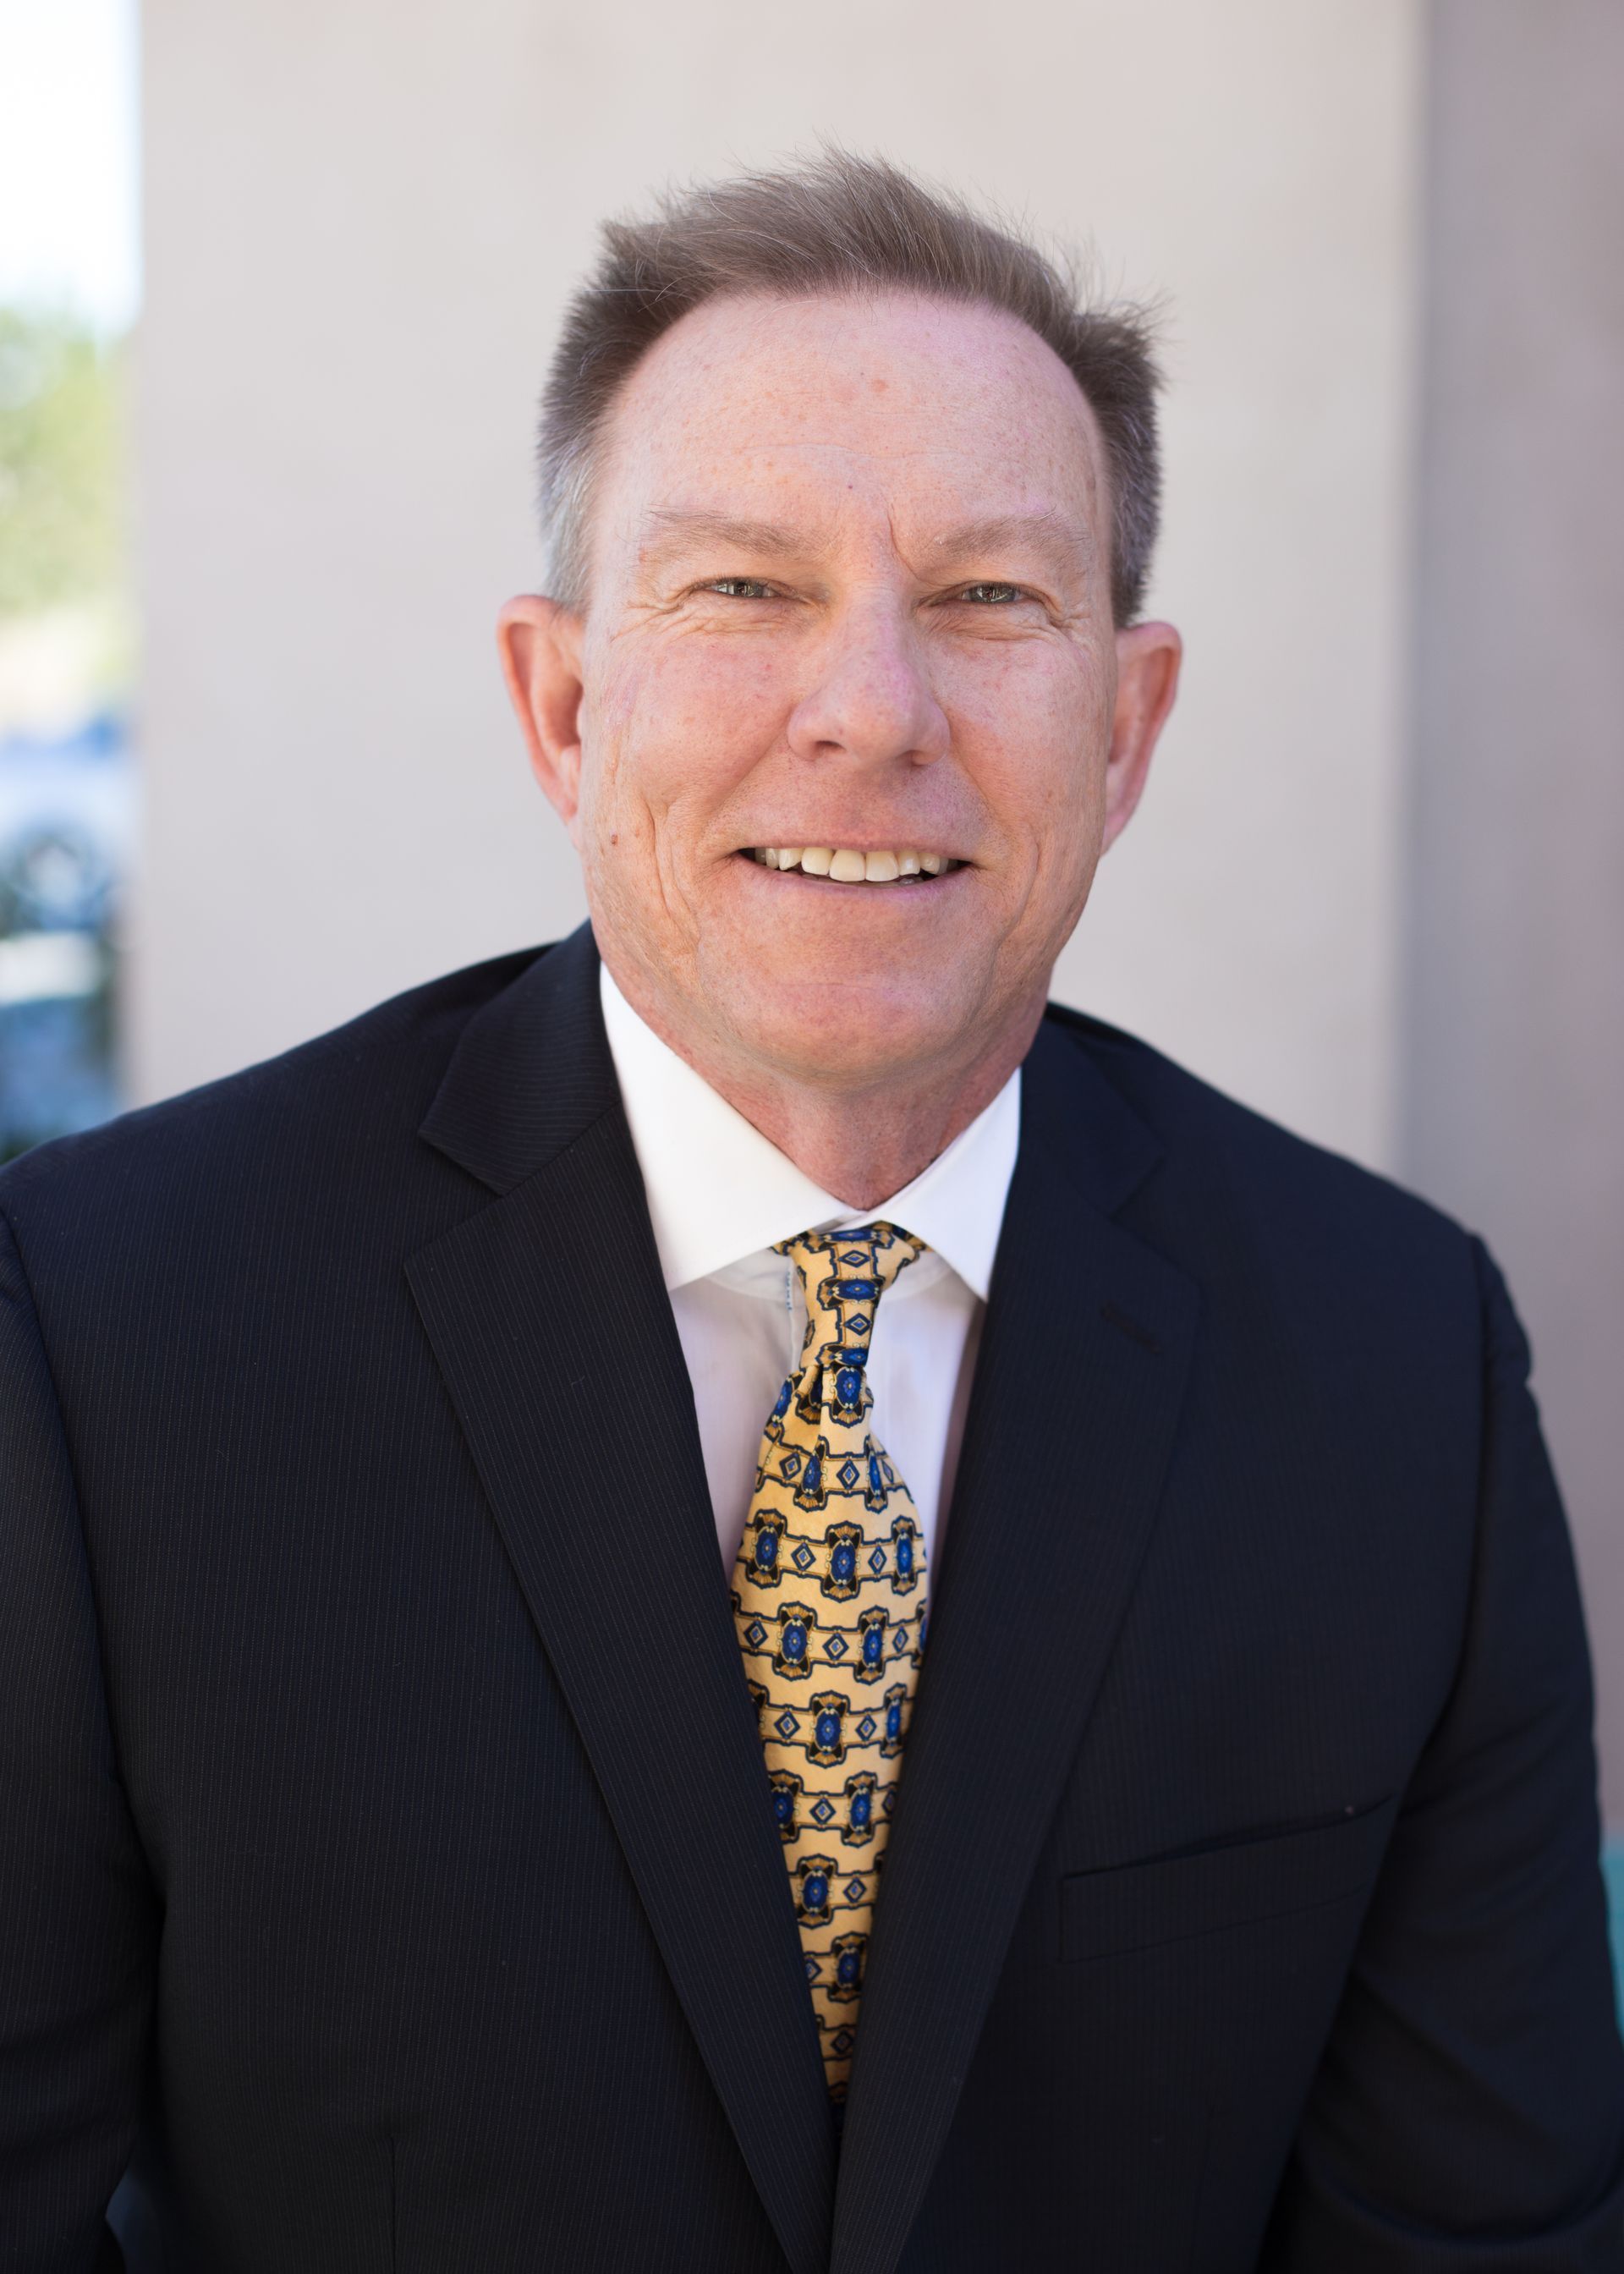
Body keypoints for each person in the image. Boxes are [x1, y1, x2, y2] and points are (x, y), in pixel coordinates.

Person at [2, 151, 1621, 2274]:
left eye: (991, 599)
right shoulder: (112, 1329)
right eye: (744, 588)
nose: (873, 709)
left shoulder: (1398, 1365)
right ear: (563, 702)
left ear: (1125, 732)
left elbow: (1481, 2241)